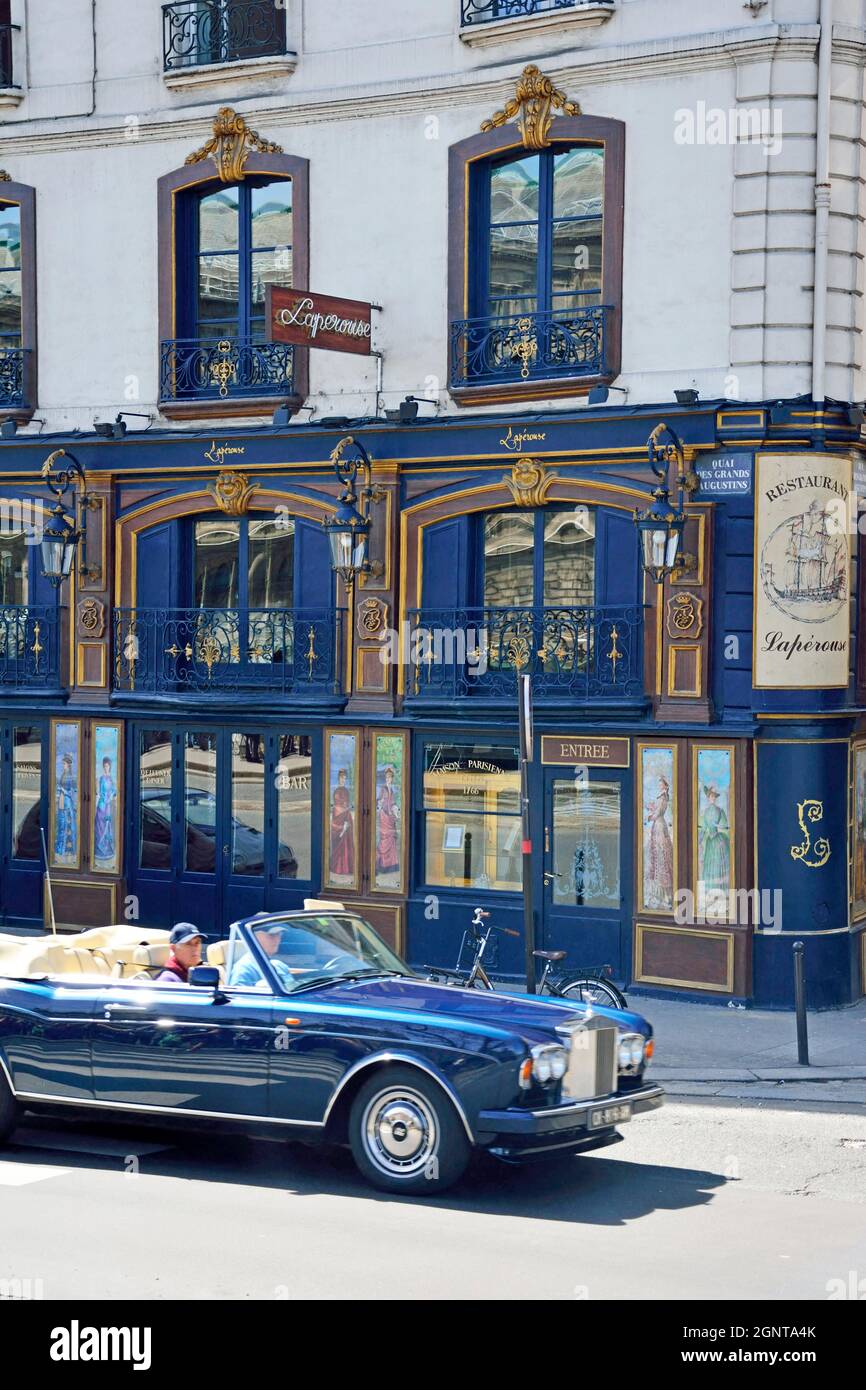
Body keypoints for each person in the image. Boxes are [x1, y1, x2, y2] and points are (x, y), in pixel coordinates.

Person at [229, 921, 296, 991]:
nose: (278, 939)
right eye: (271, 935)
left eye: (279, 934)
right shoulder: (244, 969)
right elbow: (238, 998)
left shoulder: (280, 966)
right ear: (254, 937)